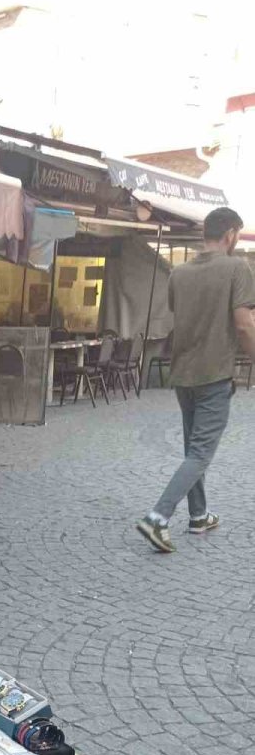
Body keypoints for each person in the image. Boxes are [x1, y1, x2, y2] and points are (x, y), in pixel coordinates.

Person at [136, 206, 255, 554]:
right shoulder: (238, 268)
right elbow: (244, 324)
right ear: (231, 234)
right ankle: (158, 517)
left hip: (182, 375)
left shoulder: (179, 272)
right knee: (201, 453)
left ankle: (199, 516)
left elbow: (182, 313)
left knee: (194, 449)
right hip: (213, 373)